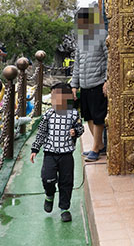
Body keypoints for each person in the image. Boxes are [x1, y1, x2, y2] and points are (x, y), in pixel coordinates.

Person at [30, 82, 84, 222]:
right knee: (47, 178)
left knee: (66, 182)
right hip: (50, 153)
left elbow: (80, 128)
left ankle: (64, 208)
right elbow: (41, 133)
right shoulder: (48, 114)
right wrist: (35, 148)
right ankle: (49, 194)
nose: (54, 100)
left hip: (66, 154)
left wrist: (75, 132)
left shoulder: (73, 114)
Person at [70, 6, 108, 162]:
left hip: (98, 83)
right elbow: (77, 65)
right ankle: (99, 145)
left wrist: (108, 80)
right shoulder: (81, 40)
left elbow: (109, 59)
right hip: (85, 85)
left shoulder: (102, 36)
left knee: (98, 117)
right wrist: (74, 84)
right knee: (89, 117)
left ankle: (95, 148)